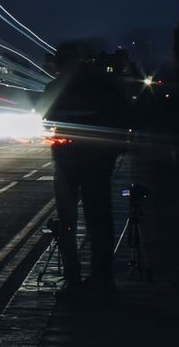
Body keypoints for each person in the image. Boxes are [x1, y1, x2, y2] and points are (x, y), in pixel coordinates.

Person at [40, 59, 130, 298]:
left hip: (68, 161)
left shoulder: (59, 87)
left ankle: (72, 279)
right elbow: (125, 117)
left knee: (67, 222)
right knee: (100, 220)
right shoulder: (108, 87)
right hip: (100, 160)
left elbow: (45, 115)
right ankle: (103, 278)